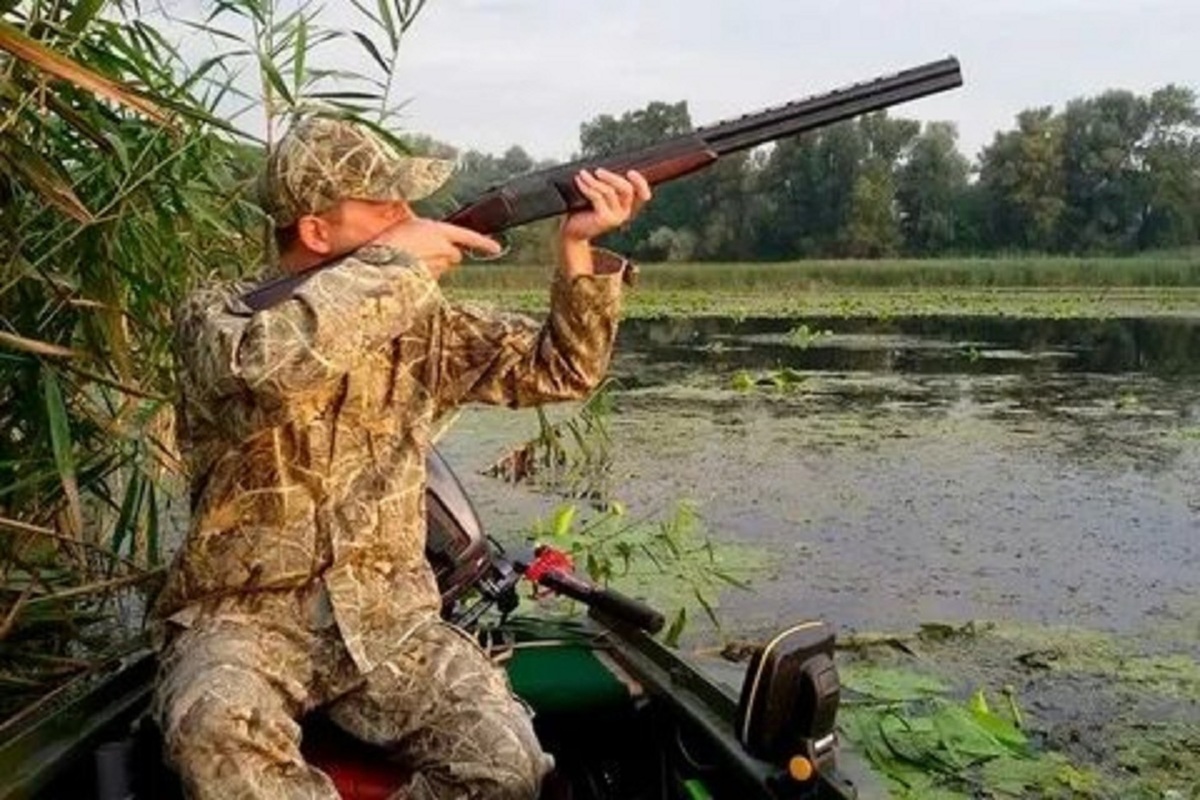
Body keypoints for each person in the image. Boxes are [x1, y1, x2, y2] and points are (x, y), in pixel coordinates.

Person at [151, 115, 652, 800]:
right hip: (241, 620)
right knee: (212, 735)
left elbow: (560, 369)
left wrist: (577, 252)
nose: (411, 221)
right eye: (386, 206)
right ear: (316, 231)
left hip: (388, 620)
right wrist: (397, 267)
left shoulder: (421, 324)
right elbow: (267, 369)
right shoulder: (220, 318)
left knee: (507, 765)